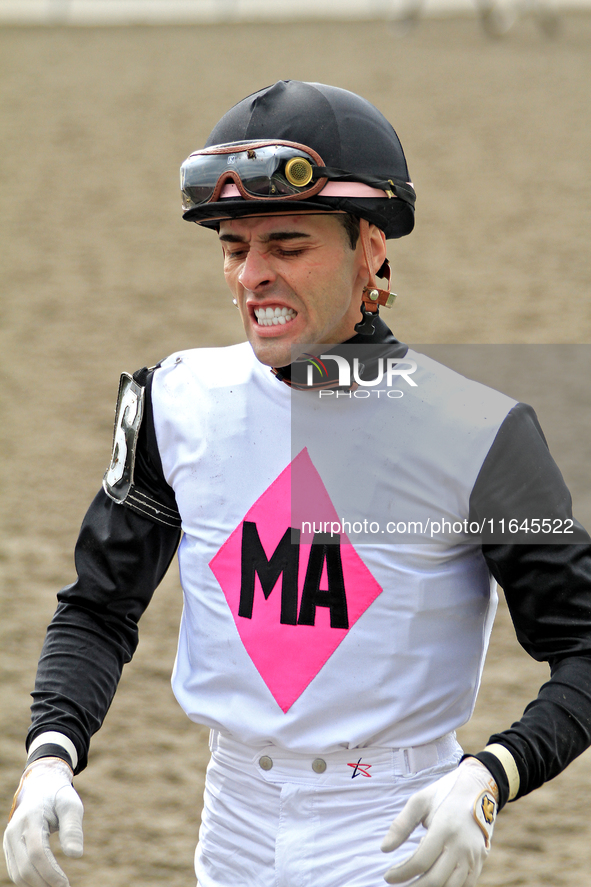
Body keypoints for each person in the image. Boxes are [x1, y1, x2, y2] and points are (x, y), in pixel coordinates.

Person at [4, 80, 591, 887]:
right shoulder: (171, 402)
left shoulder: (480, 430)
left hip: (391, 832)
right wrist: (49, 755)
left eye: (288, 244)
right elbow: (98, 607)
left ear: (372, 247)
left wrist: (491, 776)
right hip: (231, 827)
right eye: (233, 247)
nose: (252, 276)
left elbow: (583, 645)